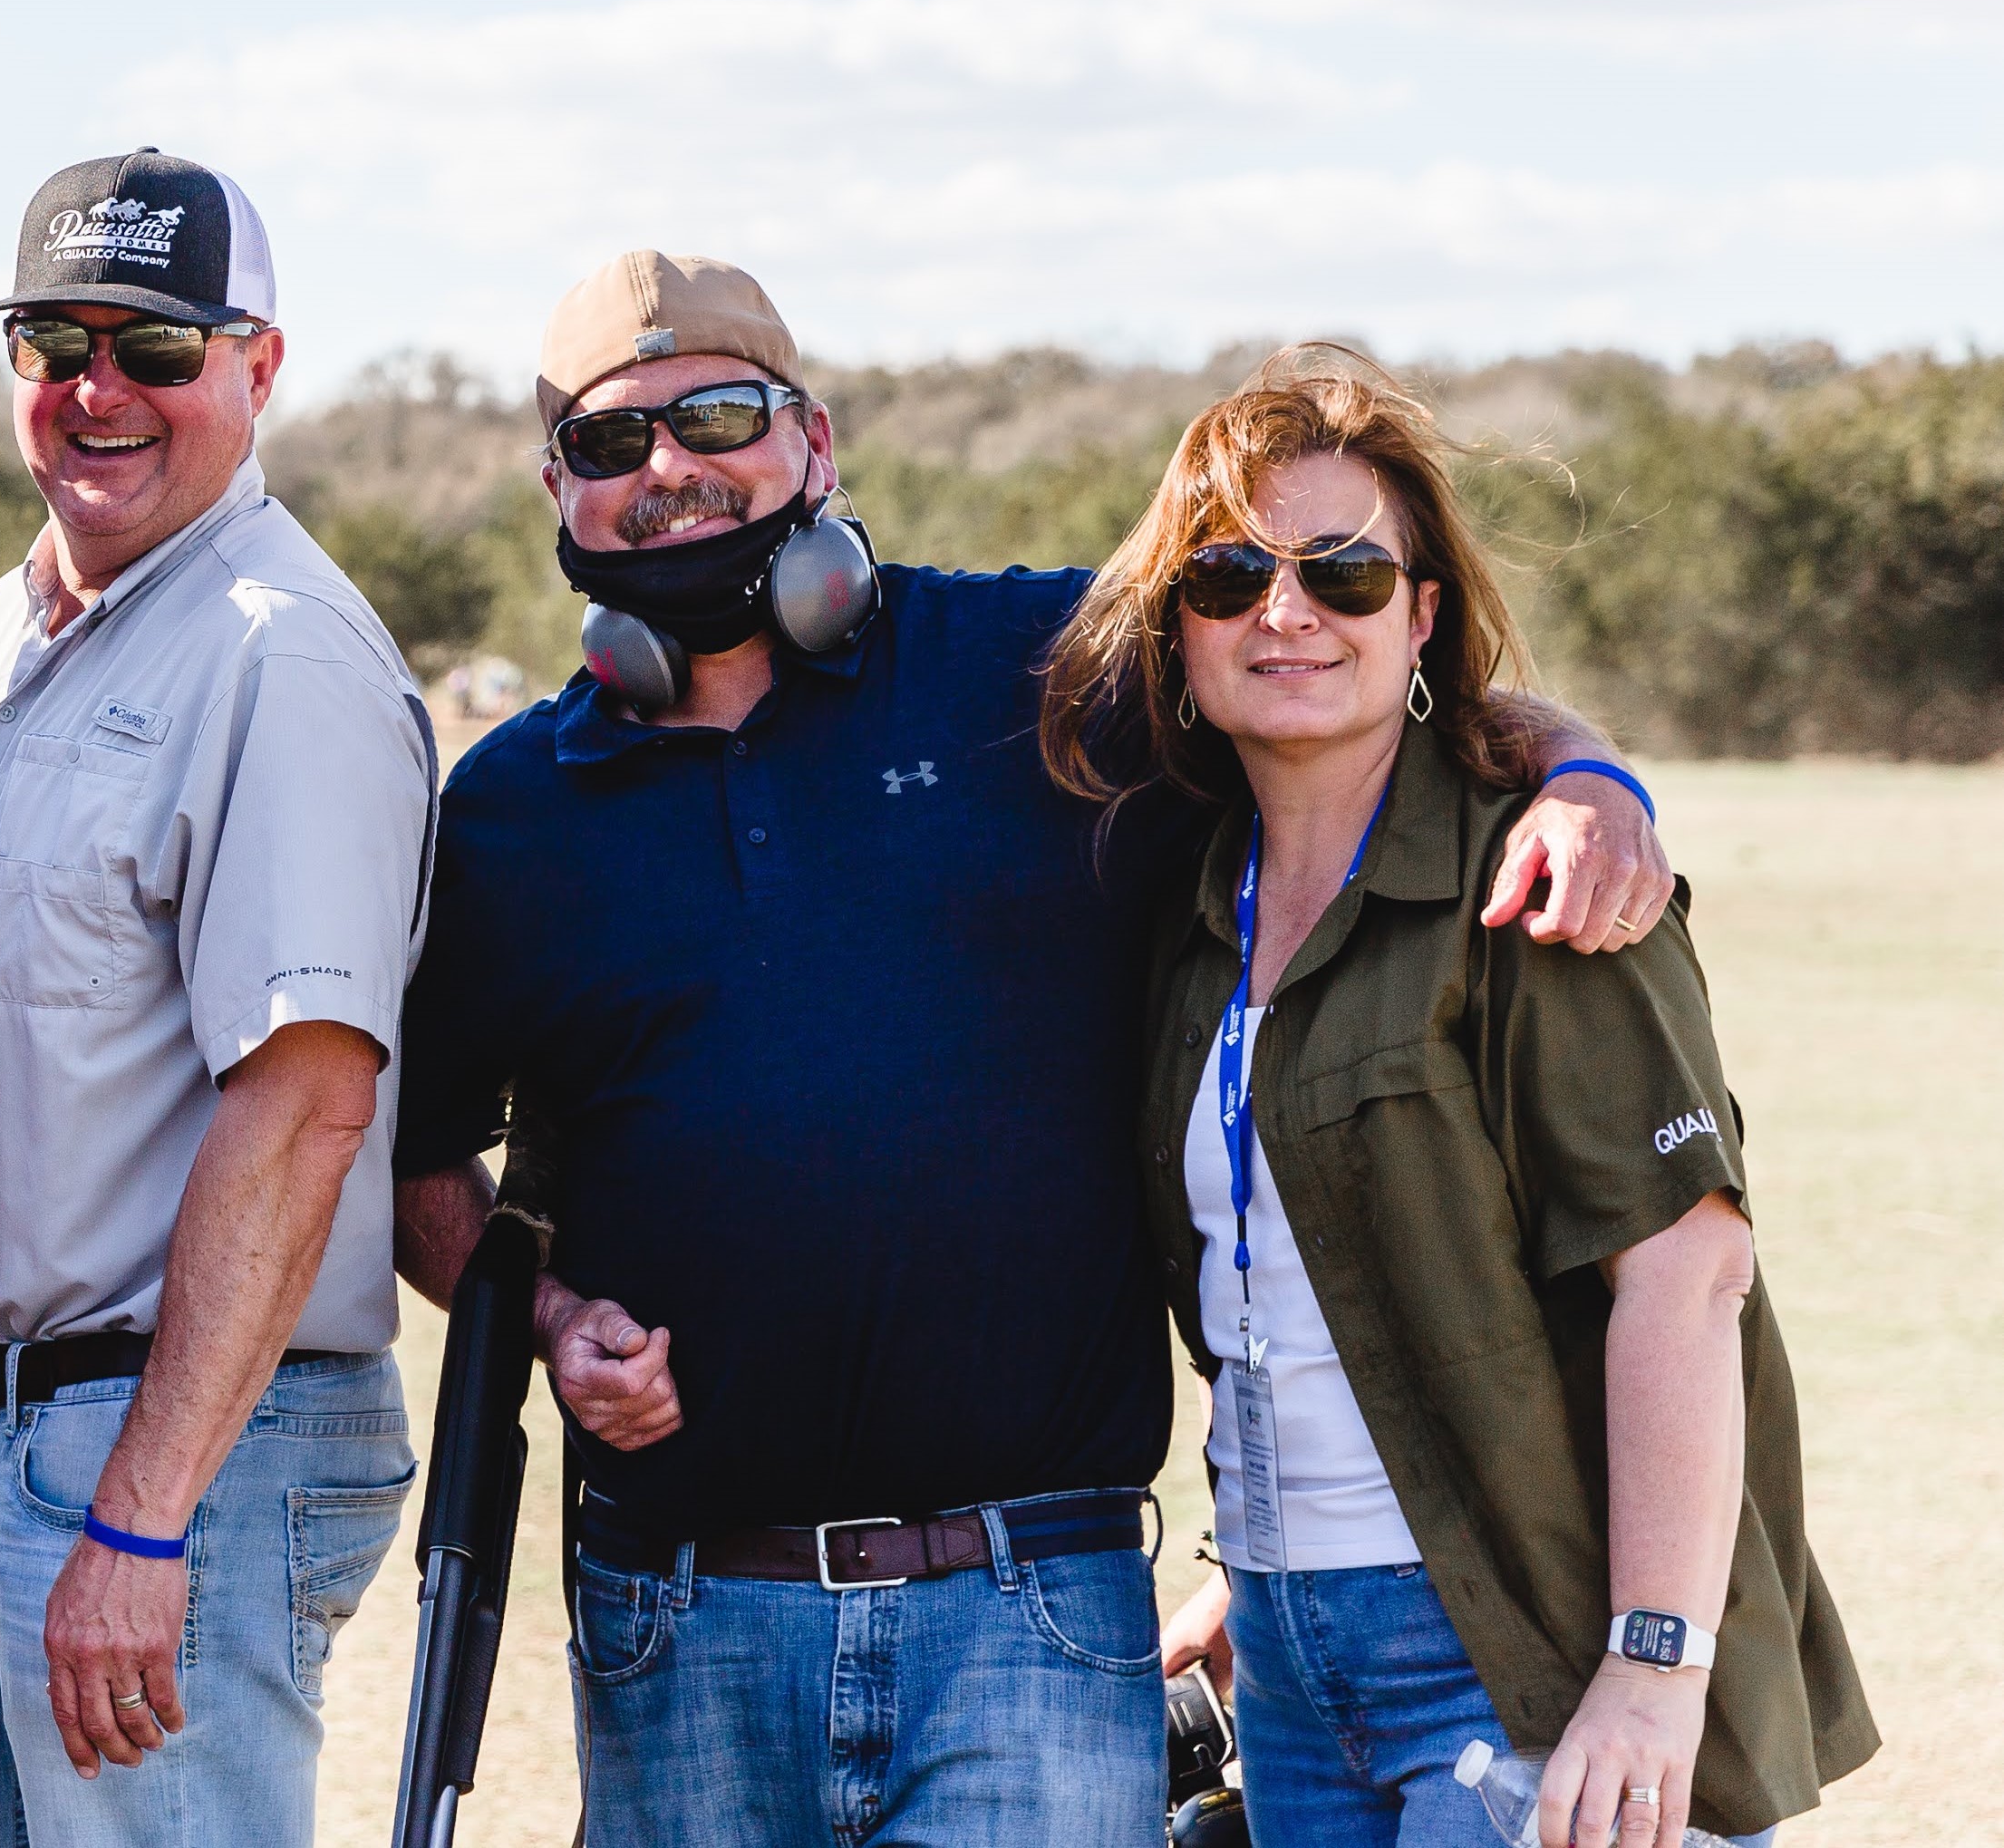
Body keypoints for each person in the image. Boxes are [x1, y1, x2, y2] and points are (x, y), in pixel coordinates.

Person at [392, 253, 1676, 1848]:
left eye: (715, 415)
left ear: (816, 440)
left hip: (1031, 1611)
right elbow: (414, 1150)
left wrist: (1586, 773)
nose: (667, 467)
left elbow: (1337, 665)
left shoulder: (1039, 674)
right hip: (678, 1625)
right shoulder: (510, 807)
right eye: (610, 442)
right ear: (556, 490)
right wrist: (549, 1313)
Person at [1041, 344, 1873, 1847]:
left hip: (1526, 1651)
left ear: (1421, 616)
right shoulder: (1187, 915)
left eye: (1343, 574)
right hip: (1288, 1663)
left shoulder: (1544, 879)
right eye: (1228, 575)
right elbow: (1307, 1290)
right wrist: (1263, 1561)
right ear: (1177, 625)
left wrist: (1649, 1661)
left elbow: (1685, 1277)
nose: (1284, 611)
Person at [0, 150, 438, 1848]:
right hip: (16, 1415)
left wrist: (141, 1516)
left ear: (256, 366)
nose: (96, 389)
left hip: (184, 1439)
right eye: (55, 342)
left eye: (155, 345)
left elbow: (302, 1106)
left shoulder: (281, 652)